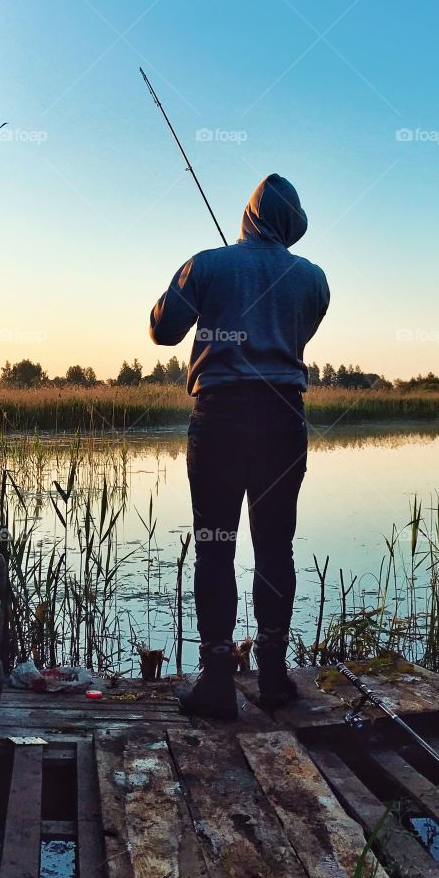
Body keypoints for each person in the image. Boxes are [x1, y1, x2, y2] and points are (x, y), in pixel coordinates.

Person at [149, 173, 330, 718]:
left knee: (215, 546)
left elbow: (164, 331)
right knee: (276, 546)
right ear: (290, 226)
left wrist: (201, 285)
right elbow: (297, 333)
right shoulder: (313, 278)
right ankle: (273, 675)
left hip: (221, 419)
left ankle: (216, 682)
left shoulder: (206, 265)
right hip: (283, 418)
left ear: (248, 216)